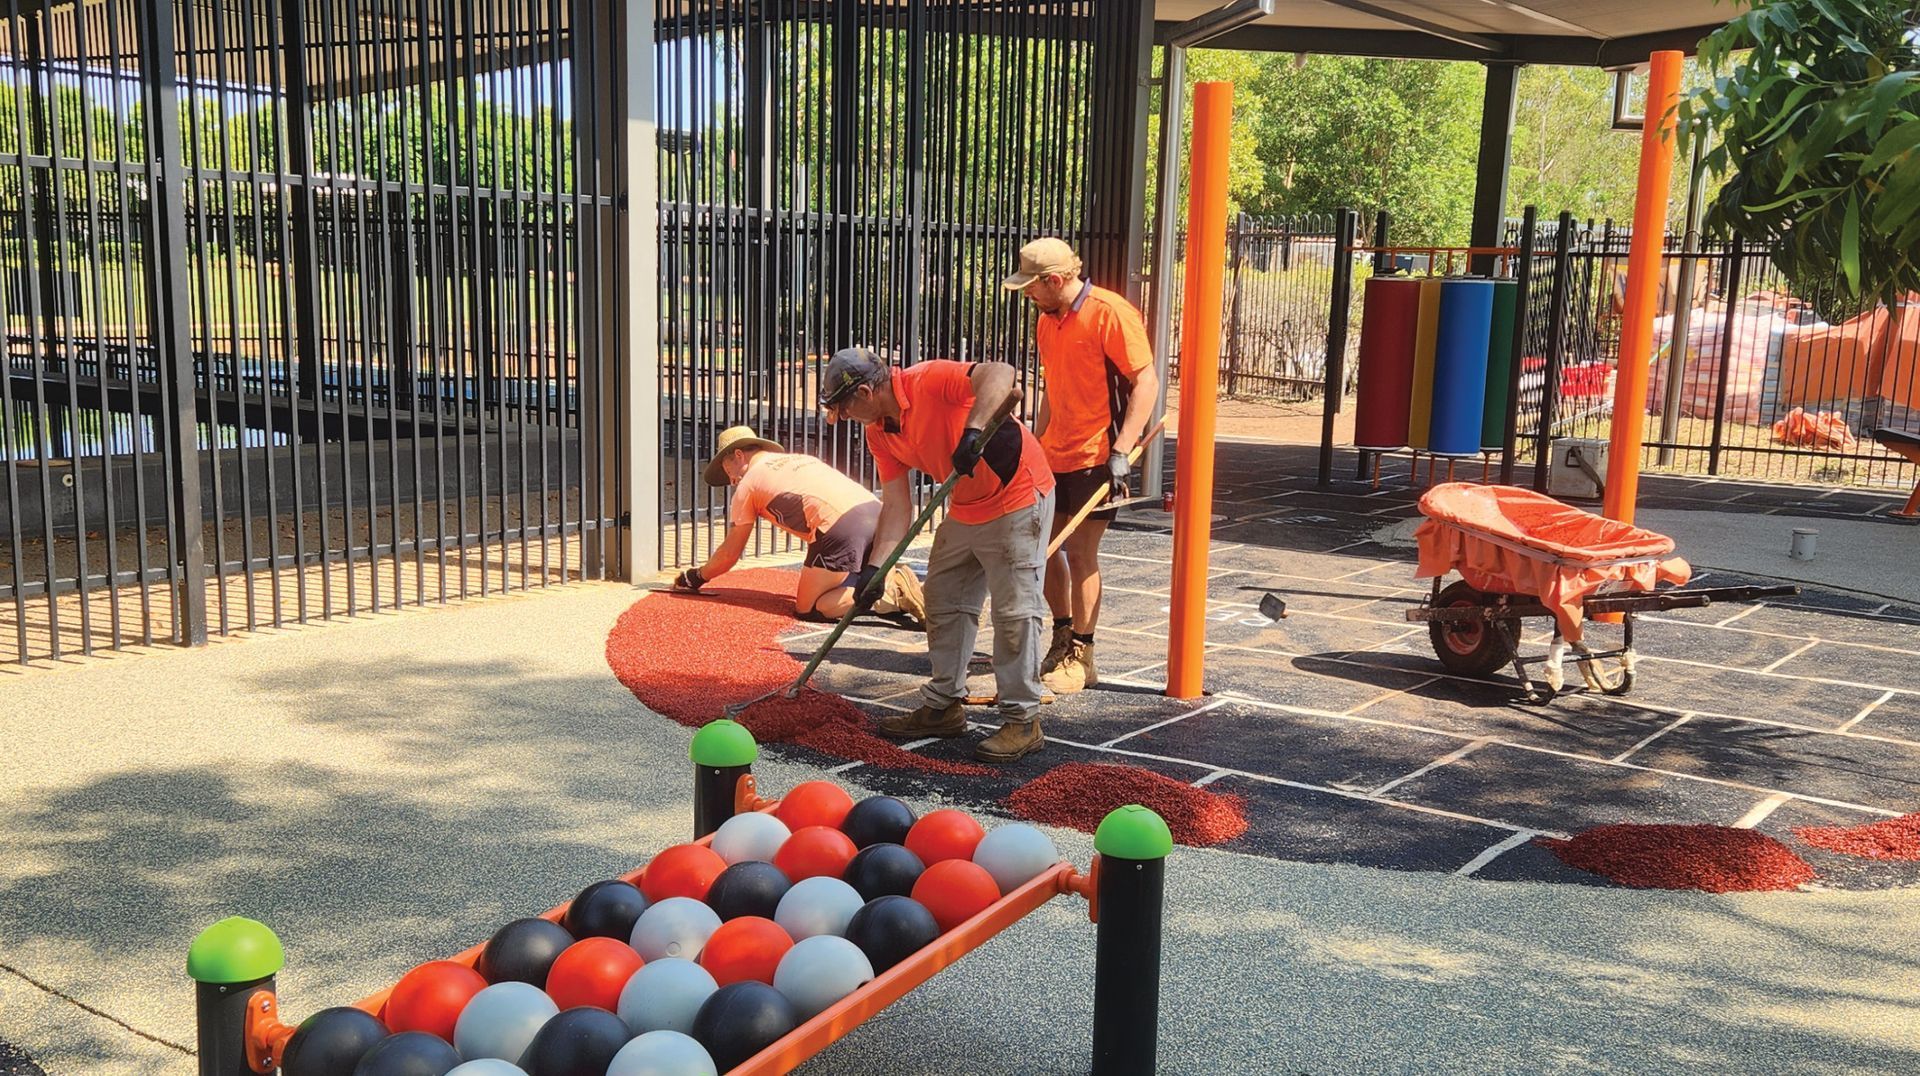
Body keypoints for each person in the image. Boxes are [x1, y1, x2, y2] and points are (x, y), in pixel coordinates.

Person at [818, 348, 1056, 763]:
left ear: (867, 392)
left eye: (844, 407)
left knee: (1014, 612)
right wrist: (874, 570)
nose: (845, 416)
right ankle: (945, 704)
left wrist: (973, 430)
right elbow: (896, 504)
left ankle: (1023, 719)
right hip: (966, 505)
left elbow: (1001, 372)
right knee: (944, 600)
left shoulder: (927, 379)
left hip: (1016, 494)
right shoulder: (879, 431)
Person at [1002, 236, 1159, 694]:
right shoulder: (1047, 322)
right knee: (1046, 548)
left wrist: (1121, 451)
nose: (1028, 295)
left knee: (1080, 552)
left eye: (1032, 287)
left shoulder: (1109, 313)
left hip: (1099, 453)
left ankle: (1083, 654)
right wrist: (1035, 443)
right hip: (1056, 453)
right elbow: (1055, 387)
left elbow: (1145, 381)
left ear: (1054, 281)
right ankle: (1062, 635)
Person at [673, 425, 926, 625]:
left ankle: (892, 592)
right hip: (877, 514)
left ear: (738, 456)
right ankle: (889, 578)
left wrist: (695, 577)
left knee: (810, 607)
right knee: (843, 573)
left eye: (728, 470)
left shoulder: (749, 483)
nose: (731, 480)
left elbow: (730, 553)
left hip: (842, 528)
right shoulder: (799, 459)